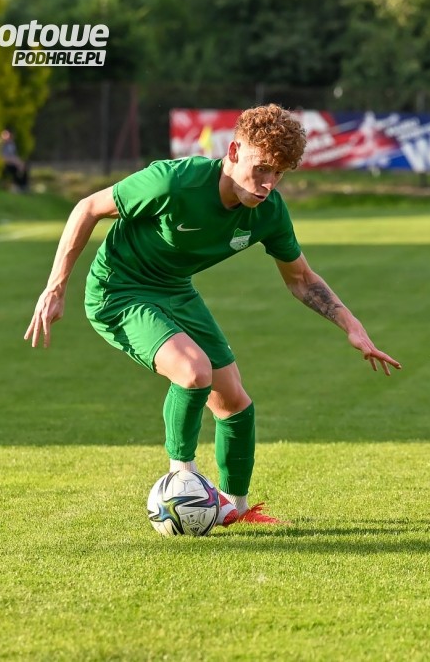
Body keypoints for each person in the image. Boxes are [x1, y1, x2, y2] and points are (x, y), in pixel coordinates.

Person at [25, 104, 401, 528]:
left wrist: (352, 326)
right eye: (262, 168)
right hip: (119, 291)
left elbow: (301, 279)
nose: (268, 184)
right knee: (193, 371)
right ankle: (180, 486)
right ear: (234, 151)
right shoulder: (173, 182)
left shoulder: (269, 211)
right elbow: (87, 208)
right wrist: (55, 288)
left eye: (279, 173)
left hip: (175, 290)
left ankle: (236, 510)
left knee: (235, 402)